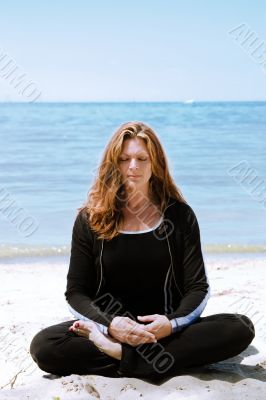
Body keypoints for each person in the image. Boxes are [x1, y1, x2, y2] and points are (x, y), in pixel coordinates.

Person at [30, 121, 255, 381]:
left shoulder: (179, 216)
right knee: (44, 346)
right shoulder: (90, 219)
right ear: (113, 164)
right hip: (110, 329)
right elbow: (76, 292)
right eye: (124, 159)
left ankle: (120, 356)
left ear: (155, 163)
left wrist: (170, 323)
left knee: (239, 327)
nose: (133, 167)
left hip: (164, 329)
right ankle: (147, 358)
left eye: (141, 158)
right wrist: (111, 325)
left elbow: (198, 288)